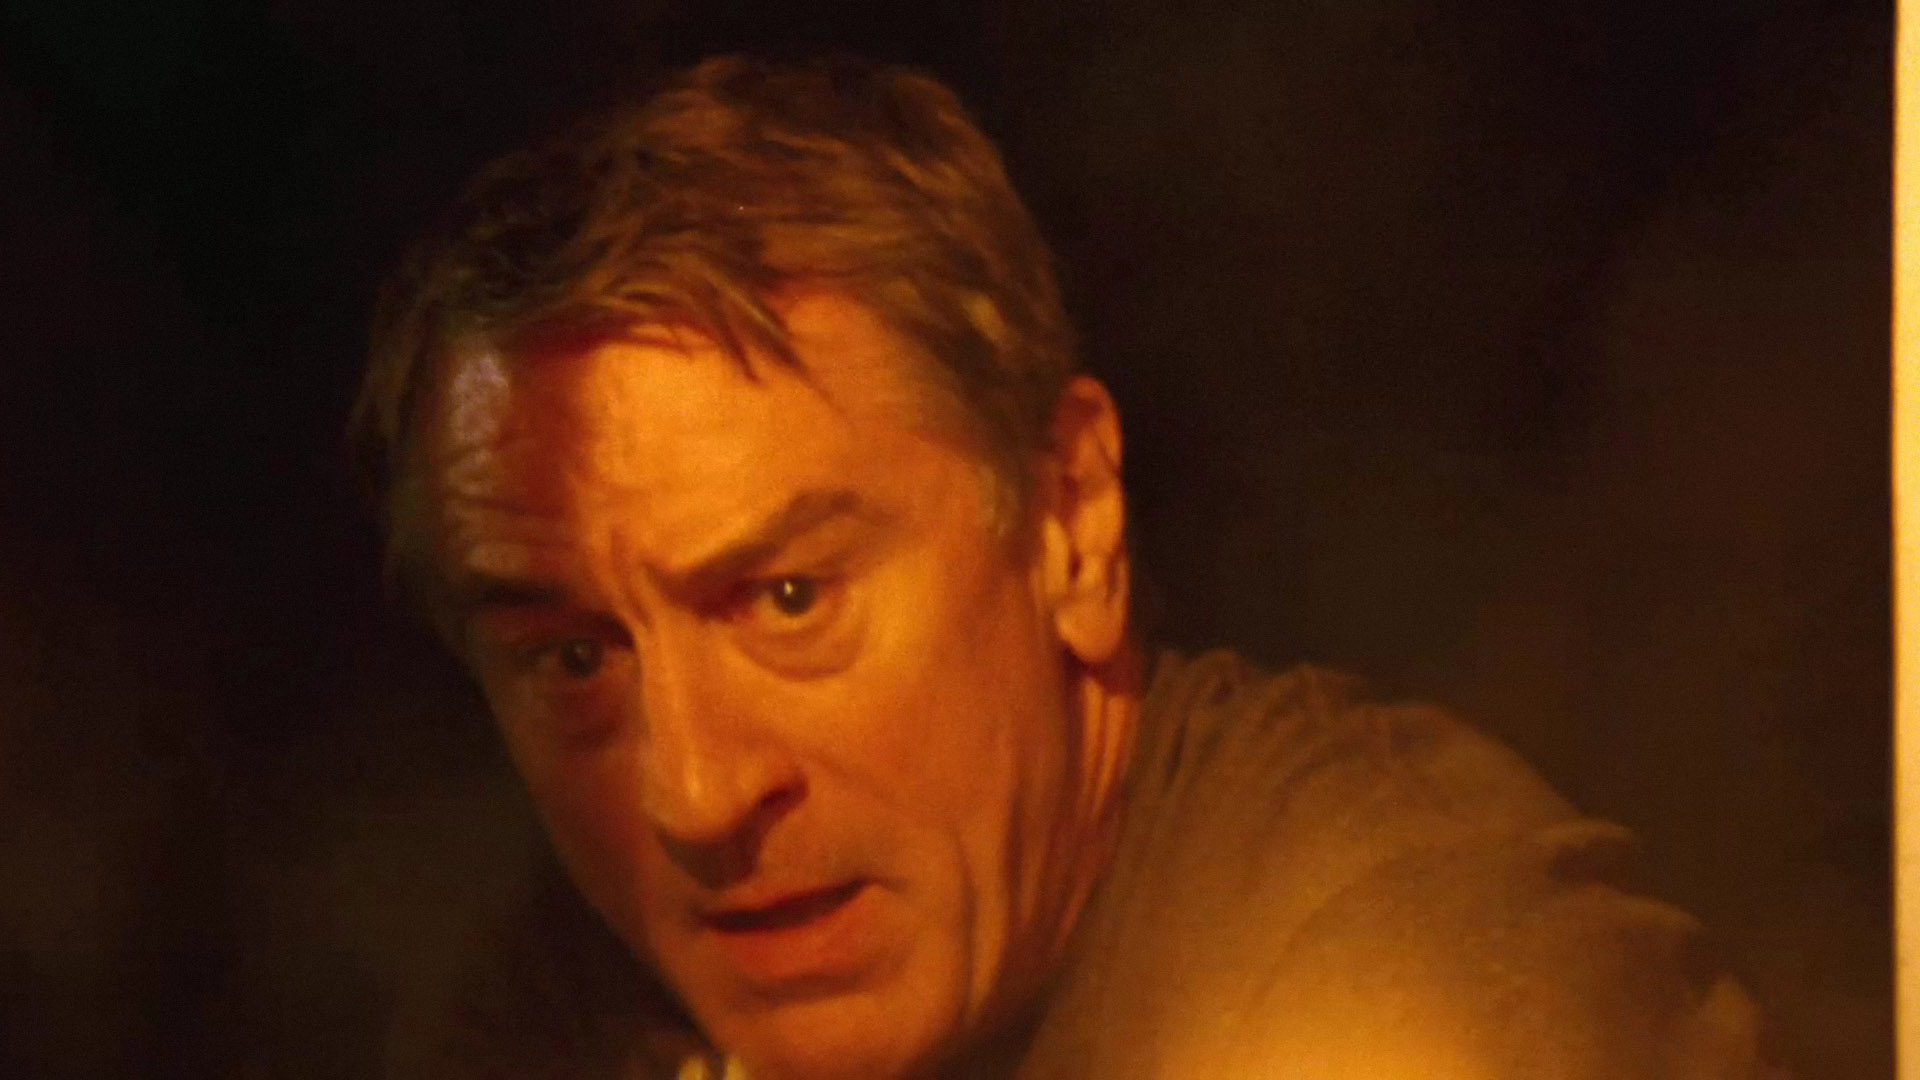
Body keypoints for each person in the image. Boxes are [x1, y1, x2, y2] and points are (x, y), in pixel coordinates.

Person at [349, 53, 1786, 1080]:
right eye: (576, 659)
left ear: (1071, 522)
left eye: (790, 599)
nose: (695, 797)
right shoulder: (560, 1015)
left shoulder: (1445, 977)